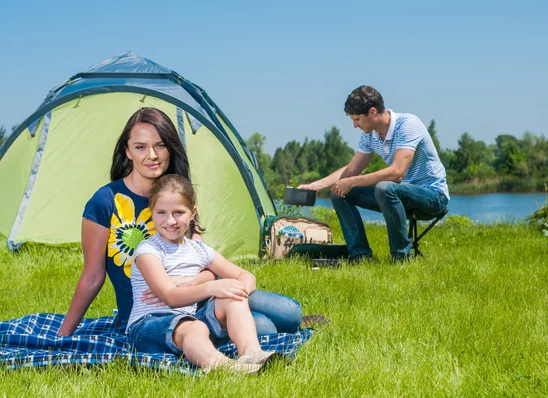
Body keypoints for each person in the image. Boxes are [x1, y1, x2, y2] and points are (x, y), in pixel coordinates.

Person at [58, 107, 302, 337]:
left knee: (290, 313)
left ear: (170, 149)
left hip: (203, 301)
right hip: (151, 316)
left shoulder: (176, 195)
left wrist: (189, 283)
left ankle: (240, 317)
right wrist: (64, 333)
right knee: (265, 328)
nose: (152, 155)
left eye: (160, 146)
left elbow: (204, 265)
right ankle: (242, 323)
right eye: (141, 147)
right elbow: (92, 276)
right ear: (127, 151)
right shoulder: (105, 201)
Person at [127, 174, 278, 373]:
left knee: (231, 296)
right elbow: (170, 297)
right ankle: (223, 367)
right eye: (161, 212)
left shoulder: (198, 250)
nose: (170, 220)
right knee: (195, 327)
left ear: (192, 213)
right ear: (151, 213)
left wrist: (237, 291)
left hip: (191, 322)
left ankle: (252, 354)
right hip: (148, 325)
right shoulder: (148, 250)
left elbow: (247, 277)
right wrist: (211, 286)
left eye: (178, 212)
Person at [299, 86, 449, 261]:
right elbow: (351, 170)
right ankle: (360, 256)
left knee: (385, 188)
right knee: (340, 192)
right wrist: (315, 186)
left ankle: (401, 258)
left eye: (357, 119)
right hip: (398, 196)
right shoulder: (370, 135)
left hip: (432, 196)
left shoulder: (408, 124)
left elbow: (396, 172)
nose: (355, 125)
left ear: (372, 112)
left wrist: (353, 182)